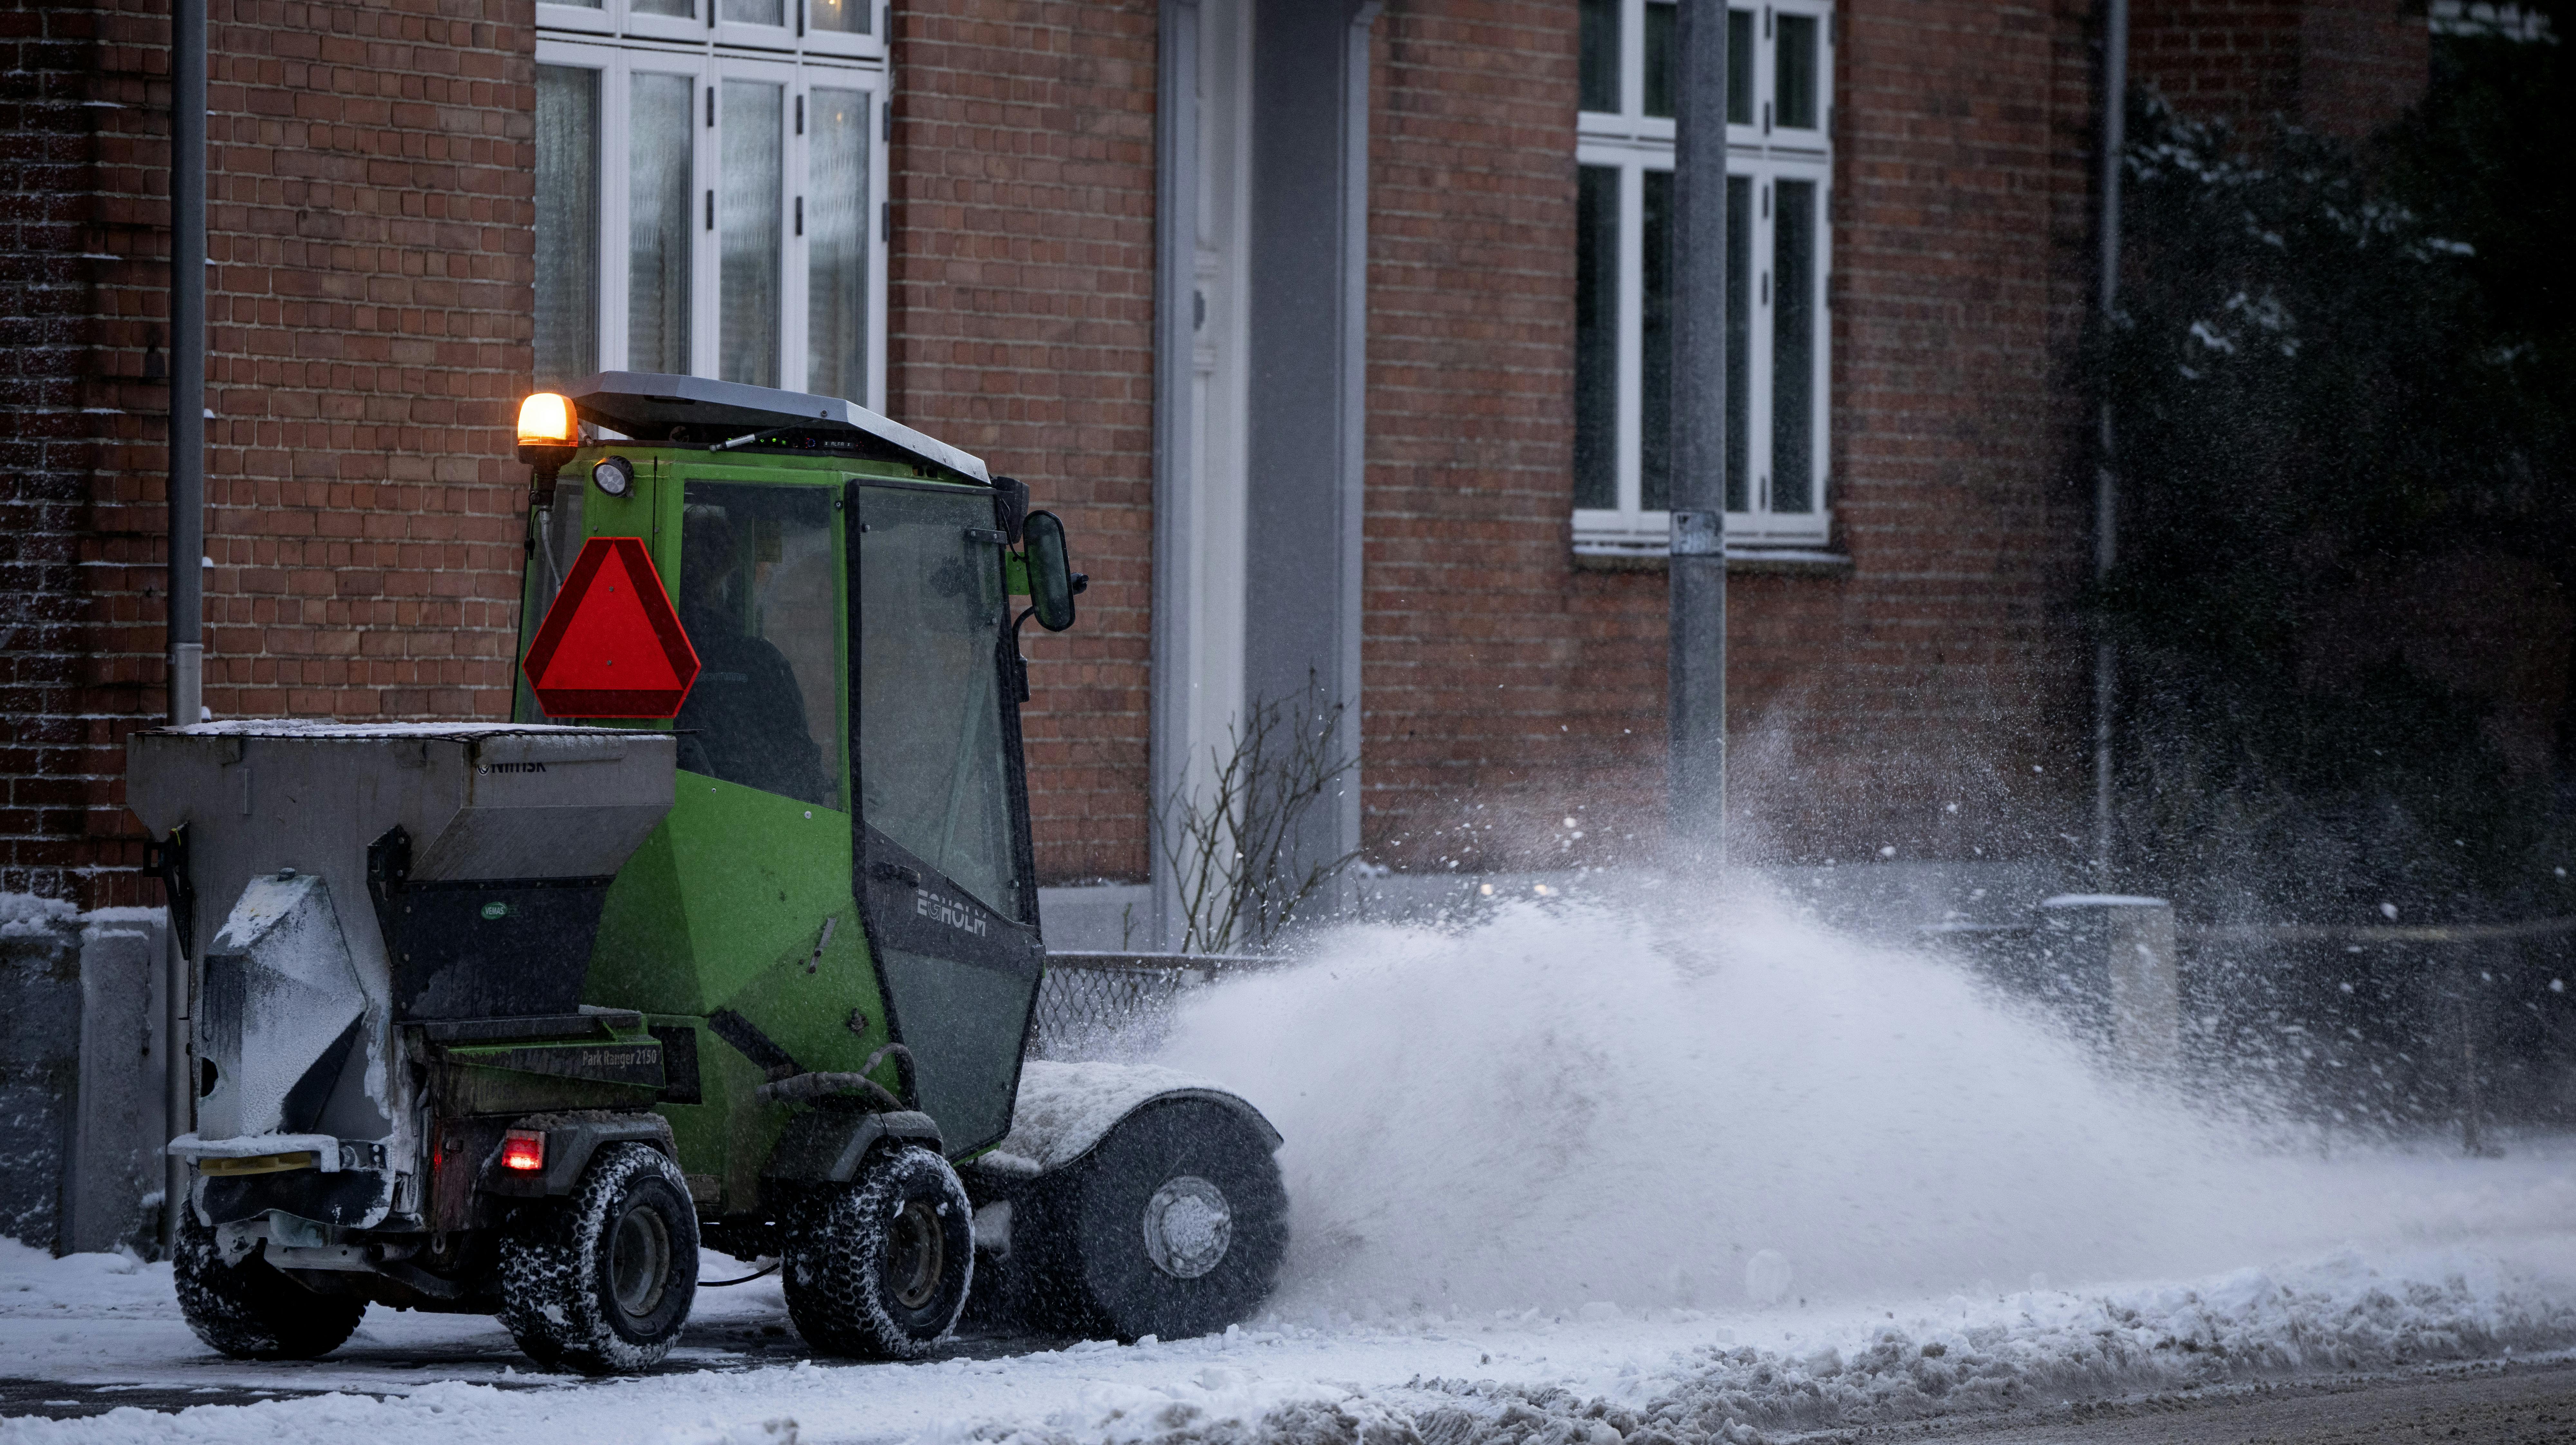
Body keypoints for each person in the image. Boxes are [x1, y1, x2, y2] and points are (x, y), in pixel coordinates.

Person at [674, 506, 836, 809]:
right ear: (728, 576)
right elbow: (798, 758)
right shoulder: (757, 662)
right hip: (752, 822)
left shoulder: (647, 659)